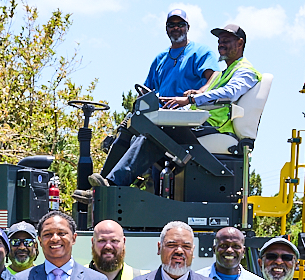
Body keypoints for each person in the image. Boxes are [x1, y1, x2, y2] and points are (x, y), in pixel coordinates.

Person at [91, 24, 260, 189]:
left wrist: (192, 99)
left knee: (156, 133)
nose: (221, 44)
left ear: (240, 43)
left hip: (215, 127)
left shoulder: (245, 71)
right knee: (133, 126)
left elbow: (230, 93)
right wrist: (181, 101)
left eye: (227, 40)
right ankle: (105, 182)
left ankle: (114, 184)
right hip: (201, 124)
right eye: (220, 40)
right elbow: (205, 95)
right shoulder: (223, 73)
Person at [92, 9, 217, 183]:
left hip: (185, 119)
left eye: (180, 24)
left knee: (149, 136)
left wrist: (199, 92)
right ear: (166, 29)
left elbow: (213, 78)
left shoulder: (200, 52)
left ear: (188, 27)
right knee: (127, 129)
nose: (176, 28)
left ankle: (114, 182)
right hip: (162, 117)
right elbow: (146, 90)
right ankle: (104, 182)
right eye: (171, 25)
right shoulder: (160, 58)